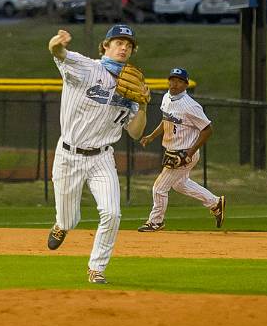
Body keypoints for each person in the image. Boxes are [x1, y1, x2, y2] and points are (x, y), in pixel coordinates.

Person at [47, 25, 149, 284]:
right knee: (70, 219)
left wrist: (144, 106)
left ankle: (97, 268)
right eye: (118, 42)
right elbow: (57, 52)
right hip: (69, 154)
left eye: (128, 44)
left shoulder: (131, 88)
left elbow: (136, 133)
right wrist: (57, 42)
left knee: (112, 213)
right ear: (105, 46)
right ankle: (61, 224)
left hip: (102, 157)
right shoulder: (86, 67)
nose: (124, 47)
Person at [138, 67, 224, 232]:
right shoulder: (166, 97)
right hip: (173, 150)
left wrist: (189, 154)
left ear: (186, 84)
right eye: (172, 79)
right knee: (179, 184)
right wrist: (152, 136)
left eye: (178, 81)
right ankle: (215, 202)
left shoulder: (190, 106)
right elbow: (166, 120)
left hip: (184, 152)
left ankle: (156, 221)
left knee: (159, 187)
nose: (174, 83)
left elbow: (208, 129)